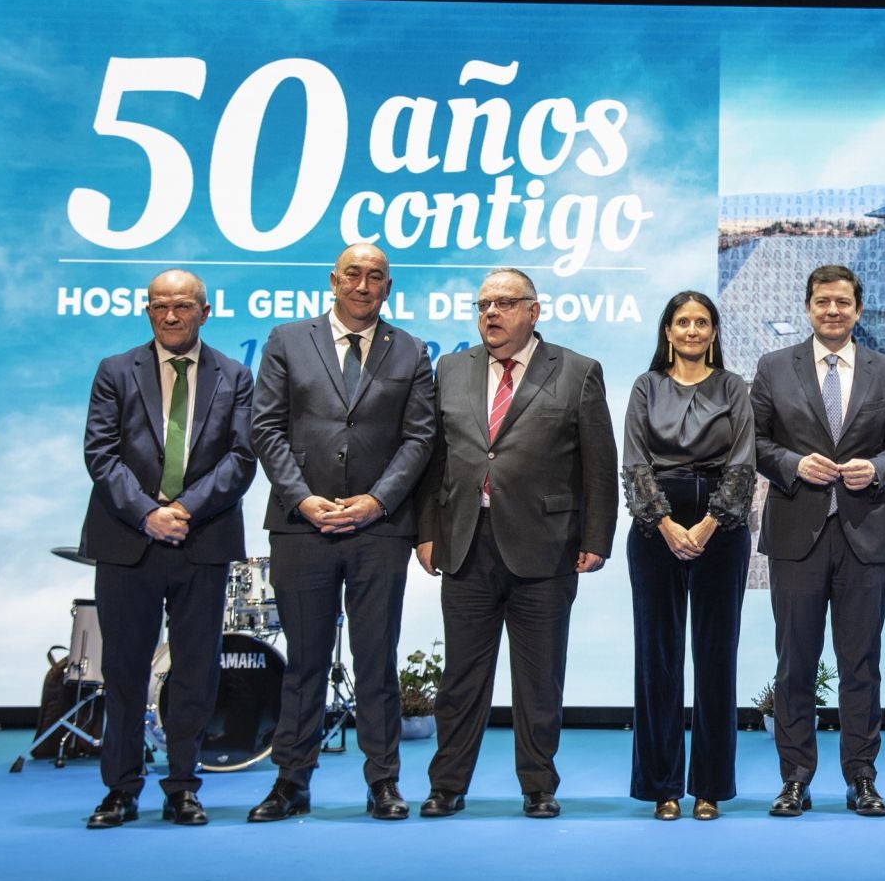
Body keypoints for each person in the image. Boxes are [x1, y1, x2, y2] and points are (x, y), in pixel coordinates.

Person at [414, 267, 617, 820]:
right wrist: (426, 533)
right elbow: (435, 461)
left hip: (546, 547)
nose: (491, 314)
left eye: (504, 303)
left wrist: (597, 536)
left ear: (534, 310)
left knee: (539, 677)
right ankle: (446, 785)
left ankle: (538, 785)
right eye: (483, 305)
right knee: (460, 679)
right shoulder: (451, 369)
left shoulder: (577, 371)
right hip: (464, 544)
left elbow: (600, 463)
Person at [247, 243, 437, 823]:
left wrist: (376, 501)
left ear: (387, 285)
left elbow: (420, 438)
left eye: (375, 276)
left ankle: (383, 781)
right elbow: (266, 427)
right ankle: (291, 782)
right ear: (333, 281)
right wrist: (303, 499)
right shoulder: (287, 340)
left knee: (375, 657)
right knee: (304, 660)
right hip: (302, 527)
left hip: (379, 529)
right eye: (352, 274)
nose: (363, 284)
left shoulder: (410, 350)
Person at [80, 270, 256, 828]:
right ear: (147, 310)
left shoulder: (235, 375)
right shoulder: (115, 371)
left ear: (205, 311)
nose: (171, 315)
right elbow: (100, 453)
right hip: (127, 540)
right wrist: (147, 514)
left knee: (195, 673)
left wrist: (182, 512)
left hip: (200, 541)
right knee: (125, 671)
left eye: (183, 306)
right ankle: (120, 788)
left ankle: (183, 786)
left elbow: (241, 458)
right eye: (160, 306)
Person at [751, 264, 885, 817]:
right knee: (794, 664)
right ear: (808, 307)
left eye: (842, 302)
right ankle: (795, 778)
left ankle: (862, 778)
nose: (832, 310)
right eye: (822, 301)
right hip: (796, 533)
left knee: (861, 664)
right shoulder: (774, 367)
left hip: (863, 537)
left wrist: (875, 469)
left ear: (858, 310)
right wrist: (795, 463)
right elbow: (751, 441)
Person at [620, 291, 755, 821]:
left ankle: (710, 786)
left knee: (716, 658)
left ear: (714, 332)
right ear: (668, 332)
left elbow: (744, 463)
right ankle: (663, 786)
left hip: (722, 527)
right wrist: (667, 524)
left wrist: (706, 525)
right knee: (658, 658)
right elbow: (634, 464)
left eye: (702, 322)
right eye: (683, 322)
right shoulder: (645, 386)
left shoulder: (733, 387)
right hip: (656, 530)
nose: (693, 330)